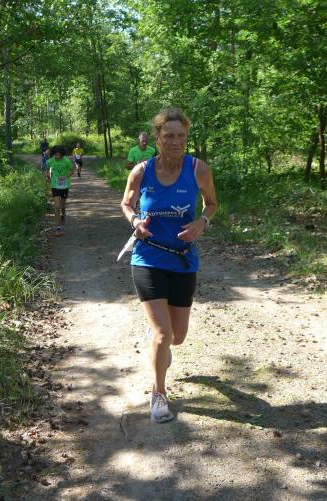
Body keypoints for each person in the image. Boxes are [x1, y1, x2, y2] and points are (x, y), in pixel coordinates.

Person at [120, 108, 217, 423]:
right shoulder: (141, 171)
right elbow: (127, 203)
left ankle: (161, 349)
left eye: (181, 136)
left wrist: (201, 222)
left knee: (177, 336)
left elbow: (212, 203)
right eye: (169, 136)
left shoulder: (198, 169)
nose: (176, 141)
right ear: (157, 138)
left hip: (183, 259)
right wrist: (135, 221)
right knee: (162, 333)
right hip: (148, 257)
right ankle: (158, 394)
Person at [46, 145, 73, 236]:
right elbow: (47, 169)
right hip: (55, 185)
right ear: (53, 154)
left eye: (59, 155)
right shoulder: (50, 161)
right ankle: (58, 228)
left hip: (65, 185)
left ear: (62, 155)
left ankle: (63, 212)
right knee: (57, 206)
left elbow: (72, 171)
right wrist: (47, 175)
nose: (57, 157)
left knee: (62, 205)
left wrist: (65, 177)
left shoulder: (66, 161)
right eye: (56, 155)